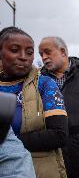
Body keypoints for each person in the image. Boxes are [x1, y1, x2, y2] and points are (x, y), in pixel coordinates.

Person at [0, 27, 68, 178]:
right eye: (14, 49)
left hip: (40, 171)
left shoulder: (45, 84)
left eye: (29, 52)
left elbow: (59, 134)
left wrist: (8, 144)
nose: (23, 57)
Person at [39, 36, 79, 178]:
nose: (44, 57)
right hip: (52, 150)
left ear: (63, 51)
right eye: (41, 54)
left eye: (47, 52)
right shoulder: (39, 80)